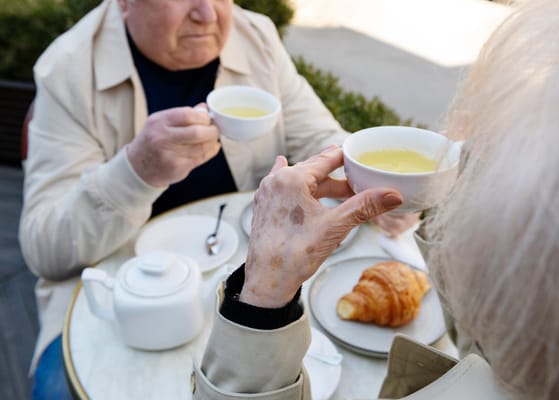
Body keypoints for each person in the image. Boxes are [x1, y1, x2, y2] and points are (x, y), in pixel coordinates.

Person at [192, 0, 559, 398]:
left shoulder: (255, 34)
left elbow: (313, 129)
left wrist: (263, 297)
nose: (205, 12)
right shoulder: (532, 354)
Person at [19, 0, 418, 397]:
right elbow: (44, 250)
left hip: (254, 280)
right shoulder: (69, 68)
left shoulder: (254, 36)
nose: (207, 14)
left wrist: (376, 180)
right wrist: (135, 170)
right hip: (118, 297)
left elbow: (319, 140)